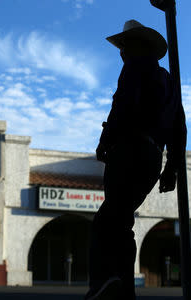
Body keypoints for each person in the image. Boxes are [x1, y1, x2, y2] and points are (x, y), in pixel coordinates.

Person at [85, 20, 186, 300]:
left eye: (124, 46)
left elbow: (123, 103)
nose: (121, 53)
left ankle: (104, 282)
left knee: (107, 221)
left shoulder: (134, 66)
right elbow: (179, 128)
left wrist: (105, 142)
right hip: (152, 159)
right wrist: (171, 169)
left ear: (136, 46)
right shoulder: (169, 82)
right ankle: (123, 287)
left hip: (128, 150)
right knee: (122, 221)